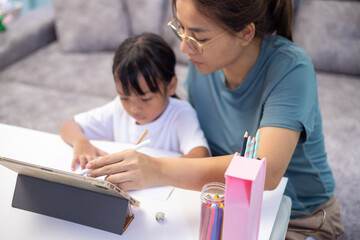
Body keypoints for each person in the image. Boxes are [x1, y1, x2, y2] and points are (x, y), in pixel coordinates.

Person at [83, 0, 344, 239]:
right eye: (181, 29)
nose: (184, 47)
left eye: (198, 37)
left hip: (298, 219)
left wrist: (157, 169)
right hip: (224, 206)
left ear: (245, 33)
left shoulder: (291, 68)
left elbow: (266, 171)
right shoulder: (204, 66)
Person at [60, 32, 210, 171]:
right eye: (125, 97)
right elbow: (69, 126)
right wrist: (81, 143)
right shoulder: (118, 108)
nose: (134, 108)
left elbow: (201, 155)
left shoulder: (181, 114)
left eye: (145, 98)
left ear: (171, 86)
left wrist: (157, 169)